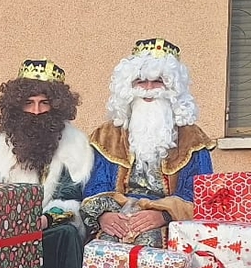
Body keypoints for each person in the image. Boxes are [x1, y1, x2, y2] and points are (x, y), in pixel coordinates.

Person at [0, 59, 94, 268]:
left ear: (57, 106)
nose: (37, 111)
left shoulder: (75, 144)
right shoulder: (0, 145)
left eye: (44, 103)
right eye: (29, 103)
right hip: (8, 233)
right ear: (17, 106)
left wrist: (43, 220)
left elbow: (71, 198)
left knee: (67, 234)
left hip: (48, 230)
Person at [81, 38, 216, 248]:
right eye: (141, 82)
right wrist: (104, 216)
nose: (149, 89)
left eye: (158, 82)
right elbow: (95, 185)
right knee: (103, 246)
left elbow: (201, 192)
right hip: (118, 215)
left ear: (173, 87)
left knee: (151, 243)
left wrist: (164, 215)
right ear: (128, 86)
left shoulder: (192, 138)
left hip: (168, 224)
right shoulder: (107, 135)